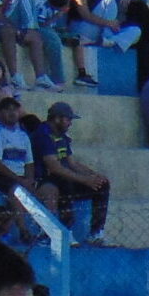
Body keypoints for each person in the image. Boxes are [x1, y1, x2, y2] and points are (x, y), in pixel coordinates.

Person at [33, 100, 112, 245]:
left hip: (62, 177)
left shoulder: (62, 136)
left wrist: (93, 176)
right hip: (46, 179)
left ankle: (96, 232)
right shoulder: (43, 134)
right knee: (65, 180)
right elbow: (54, 167)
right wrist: (84, 180)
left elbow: (72, 163)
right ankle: (66, 230)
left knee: (102, 184)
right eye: (68, 119)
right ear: (57, 119)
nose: (70, 123)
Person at [0, 97, 39, 217]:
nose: (12, 113)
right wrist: (20, 181)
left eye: (15, 109)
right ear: (0, 113)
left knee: (44, 189)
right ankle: (22, 228)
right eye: (8, 109)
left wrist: (29, 180)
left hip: (19, 178)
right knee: (16, 190)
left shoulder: (23, 136)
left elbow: (29, 163)